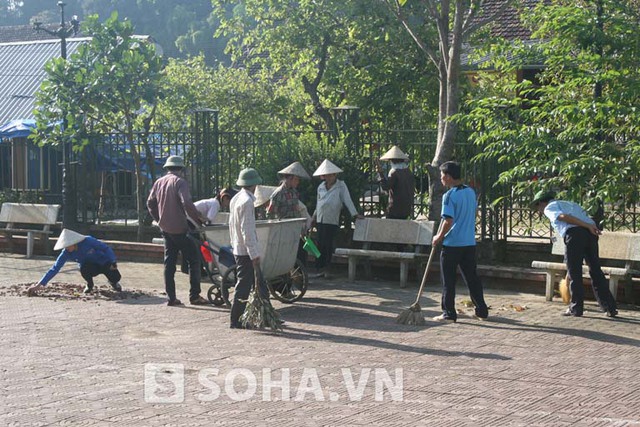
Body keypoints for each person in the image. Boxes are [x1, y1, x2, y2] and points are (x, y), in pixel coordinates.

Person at [532, 190, 618, 317]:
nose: (539, 210)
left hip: (575, 234)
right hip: (590, 235)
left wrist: (585, 226)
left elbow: (562, 217)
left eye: (538, 206)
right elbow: (587, 219)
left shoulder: (549, 207)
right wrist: (589, 227)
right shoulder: (569, 204)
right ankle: (610, 308)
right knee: (595, 270)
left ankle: (576, 308)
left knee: (574, 272)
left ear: (542, 203)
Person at [147, 155, 209, 306]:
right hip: (180, 229)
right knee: (194, 260)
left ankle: (171, 297)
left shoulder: (158, 182)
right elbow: (186, 202)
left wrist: (159, 219)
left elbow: (150, 203)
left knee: (169, 263)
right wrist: (198, 218)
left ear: (167, 168)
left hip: (166, 230)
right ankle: (194, 296)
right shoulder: (180, 182)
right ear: (181, 169)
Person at [431, 161, 489, 323]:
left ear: (448, 177)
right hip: (469, 243)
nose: (441, 179)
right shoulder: (470, 192)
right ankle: (481, 310)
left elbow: (448, 220)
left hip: (452, 244)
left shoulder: (449, 196)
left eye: (442, 176)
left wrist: (439, 236)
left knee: (448, 280)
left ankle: (449, 313)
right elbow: (474, 213)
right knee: (472, 277)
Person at [228, 168, 272, 329]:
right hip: (245, 250)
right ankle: (235, 319)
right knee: (245, 284)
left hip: (239, 247)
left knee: (259, 282)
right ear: (254, 184)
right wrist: (254, 253)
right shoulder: (246, 202)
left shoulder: (236, 199)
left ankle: (266, 315)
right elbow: (247, 230)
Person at [27, 229, 122, 296]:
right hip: (90, 267)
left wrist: (113, 261)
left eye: (68, 245)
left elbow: (105, 248)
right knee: (83, 269)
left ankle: (113, 282)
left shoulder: (88, 240)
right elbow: (55, 268)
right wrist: (39, 285)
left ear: (74, 242)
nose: (66, 248)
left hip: (104, 262)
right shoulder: (66, 252)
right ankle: (89, 285)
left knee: (116, 277)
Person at [311, 159, 363, 278]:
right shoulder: (320, 187)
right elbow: (318, 203)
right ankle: (320, 269)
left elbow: (347, 200)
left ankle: (328, 269)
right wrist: (314, 217)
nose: (328, 177)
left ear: (335, 175)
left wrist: (354, 214)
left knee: (328, 245)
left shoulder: (341, 186)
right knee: (320, 244)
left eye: (330, 175)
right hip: (320, 219)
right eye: (326, 175)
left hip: (332, 220)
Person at [267, 161, 311, 265]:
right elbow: (271, 214)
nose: (298, 182)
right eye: (296, 179)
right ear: (289, 179)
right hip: (283, 231)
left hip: (295, 229)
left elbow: (297, 210)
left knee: (301, 253)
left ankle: (299, 277)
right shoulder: (277, 194)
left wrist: (302, 228)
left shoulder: (295, 192)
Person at [376, 146, 415, 219]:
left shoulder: (394, 172)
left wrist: (380, 173)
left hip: (395, 208)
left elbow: (385, 187)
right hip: (406, 208)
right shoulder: (408, 172)